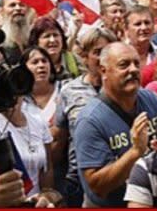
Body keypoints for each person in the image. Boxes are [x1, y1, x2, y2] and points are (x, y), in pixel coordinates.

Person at [73, 42, 157, 207]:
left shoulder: (151, 99)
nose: (133, 70)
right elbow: (97, 186)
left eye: (137, 64)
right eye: (124, 65)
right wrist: (135, 152)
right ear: (103, 71)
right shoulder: (90, 120)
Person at [52, 28, 115, 207]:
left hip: (116, 173)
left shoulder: (123, 90)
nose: (103, 57)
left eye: (108, 52)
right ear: (85, 56)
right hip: (78, 178)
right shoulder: (69, 91)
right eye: (97, 52)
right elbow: (60, 138)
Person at [0, 93, 57, 201]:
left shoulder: (38, 121)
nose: (12, 95)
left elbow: (47, 167)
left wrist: (47, 196)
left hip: (32, 202)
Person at [29, 16, 81, 83]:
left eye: (55, 35)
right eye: (47, 36)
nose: (52, 40)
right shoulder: (28, 64)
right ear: (36, 41)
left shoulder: (75, 60)